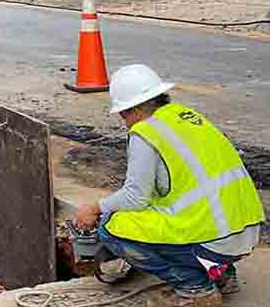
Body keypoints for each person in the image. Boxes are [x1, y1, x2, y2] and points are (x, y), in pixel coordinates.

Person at [75, 64, 264, 307]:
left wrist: (95, 207)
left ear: (131, 110)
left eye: (123, 114)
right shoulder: (186, 116)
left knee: (111, 226)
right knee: (163, 213)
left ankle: (195, 288)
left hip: (213, 240)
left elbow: (136, 198)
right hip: (245, 229)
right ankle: (223, 276)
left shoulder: (145, 132)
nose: (125, 122)